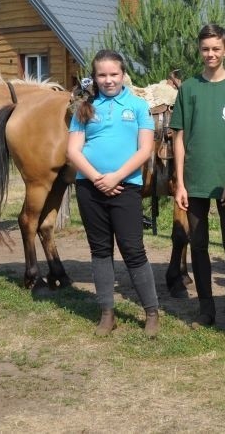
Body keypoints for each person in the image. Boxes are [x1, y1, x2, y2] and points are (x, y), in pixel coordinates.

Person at [67, 50, 159, 338]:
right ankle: (107, 313)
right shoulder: (85, 107)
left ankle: (152, 312)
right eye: (102, 75)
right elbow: (72, 150)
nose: (108, 80)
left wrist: (116, 176)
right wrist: (96, 178)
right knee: (100, 250)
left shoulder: (138, 106)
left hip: (126, 187)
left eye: (113, 74)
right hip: (89, 188)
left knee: (133, 250)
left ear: (123, 75)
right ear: (94, 77)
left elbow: (145, 149)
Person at [169, 24, 225, 331]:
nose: (210, 54)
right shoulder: (189, 88)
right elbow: (177, 138)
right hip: (194, 181)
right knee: (199, 243)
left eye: (216, 48)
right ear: (199, 50)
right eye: (205, 49)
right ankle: (205, 308)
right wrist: (180, 182)